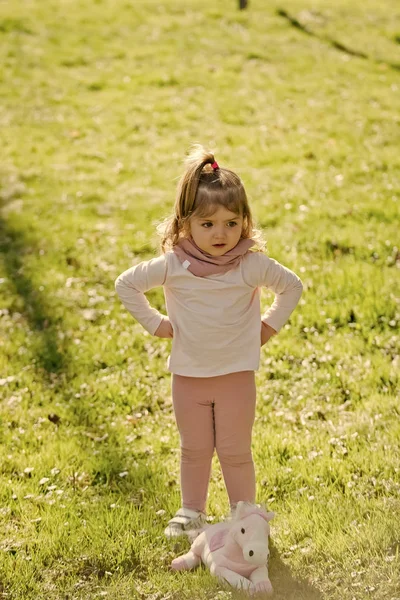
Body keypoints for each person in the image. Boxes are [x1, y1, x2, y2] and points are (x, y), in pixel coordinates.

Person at [115, 144, 303, 538]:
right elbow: (126, 284)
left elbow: (291, 287)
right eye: (208, 224)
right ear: (185, 224)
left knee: (235, 451)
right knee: (195, 449)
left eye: (232, 224)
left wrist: (267, 328)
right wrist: (156, 323)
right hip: (189, 375)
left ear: (245, 223)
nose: (221, 234)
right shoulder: (174, 265)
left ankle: (244, 516)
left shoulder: (250, 264)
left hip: (236, 375)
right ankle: (191, 512)